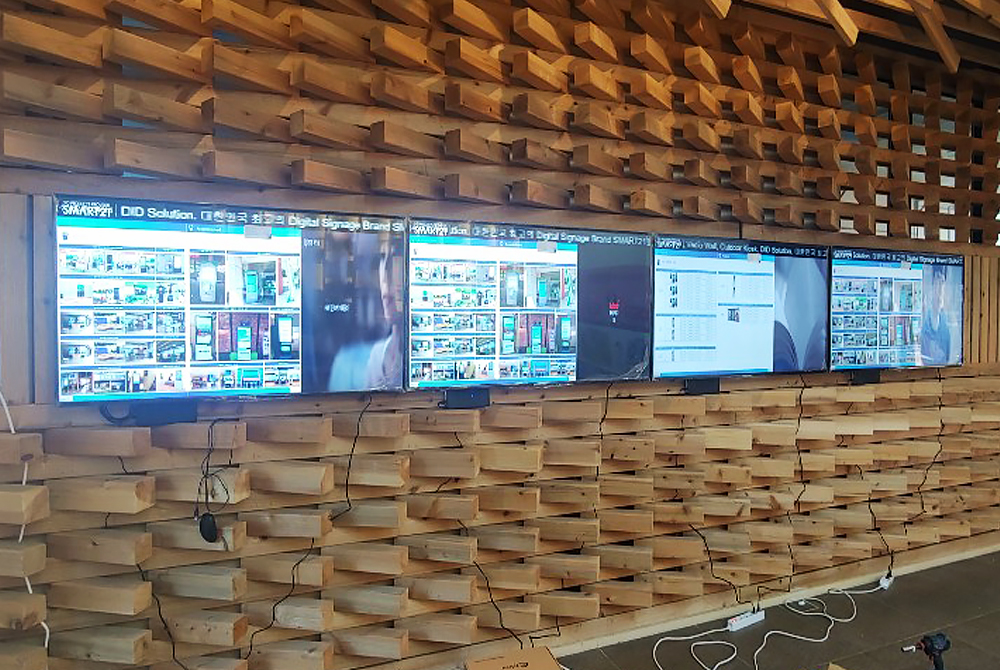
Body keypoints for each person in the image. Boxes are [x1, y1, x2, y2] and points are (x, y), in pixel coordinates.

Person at [920, 265, 952, 365]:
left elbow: (947, 357)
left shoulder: (946, 324)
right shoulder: (924, 325)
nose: (940, 293)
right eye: (936, 285)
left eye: (942, 284)